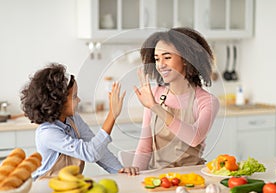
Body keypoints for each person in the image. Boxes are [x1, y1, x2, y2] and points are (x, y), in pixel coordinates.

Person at [20, 63, 139, 180]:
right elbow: (90, 153)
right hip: (46, 190)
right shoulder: (47, 133)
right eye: (74, 97)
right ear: (57, 102)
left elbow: (98, 150)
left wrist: (119, 170)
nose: (79, 100)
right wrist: (112, 115)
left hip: (71, 186)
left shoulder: (74, 119)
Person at [133, 27, 220, 170]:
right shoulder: (154, 94)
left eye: (167, 57)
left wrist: (155, 107)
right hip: (158, 179)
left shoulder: (206, 101)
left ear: (186, 59)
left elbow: (194, 137)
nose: (161, 65)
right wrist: (135, 173)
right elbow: (144, 148)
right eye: (157, 59)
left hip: (193, 177)